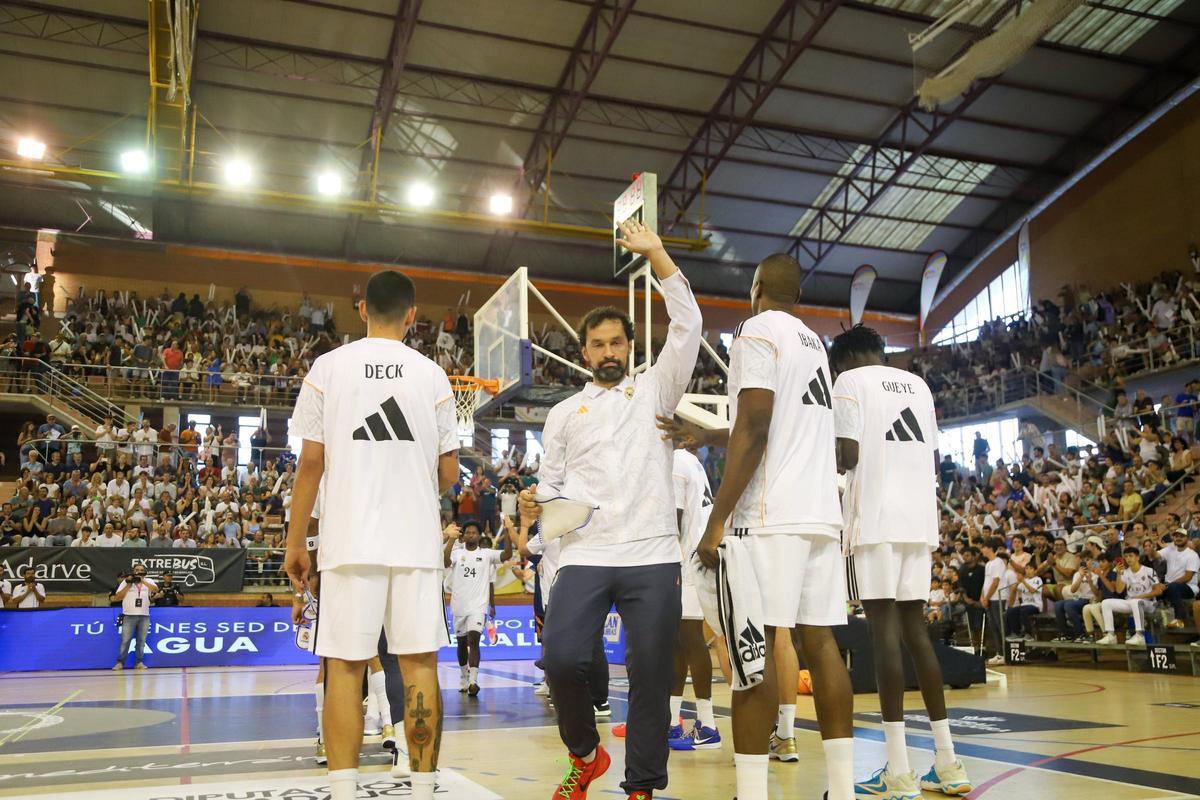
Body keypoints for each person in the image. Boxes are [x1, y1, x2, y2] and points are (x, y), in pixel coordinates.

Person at [519, 218, 701, 800]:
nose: (607, 352)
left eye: (616, 343)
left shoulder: (656, 390)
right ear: (584, 352)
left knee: (650, 675)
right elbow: (550, 489)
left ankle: (641, 785)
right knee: (562, 658)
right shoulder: (564, 413)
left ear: (630, 348)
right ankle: (585, 754)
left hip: (651, 554)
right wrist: (534, 504)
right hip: (586, 554)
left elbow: (689, 323)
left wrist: (657, 254)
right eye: (597, 345)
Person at [665, 253, 853, 800]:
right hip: (820, 513)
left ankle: (751, 792)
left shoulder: (754, 331)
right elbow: (778, 425)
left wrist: (716, 521)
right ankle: (841, 791)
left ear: (757, 286)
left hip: (770, 517)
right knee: (820, 645)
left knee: (757, 652)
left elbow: (756, 422)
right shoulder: (814, 345)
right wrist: (709, 437)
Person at [284, 269, 459, 800]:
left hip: (349, 539)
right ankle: (424, 786)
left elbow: (310, 464)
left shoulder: (327, 368)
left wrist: (296, 543)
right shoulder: (433, 375)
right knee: (419, 663)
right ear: (412, 315)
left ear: (361, 310)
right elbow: (449, 473)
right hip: (415, 543)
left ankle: (343, 790)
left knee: (344, 665)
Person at [827, 325, 971, 798]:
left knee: (882, 634)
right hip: (919, 521)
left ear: (844, 360)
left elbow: (845, 456)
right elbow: (930, 456)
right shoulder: (919, 384)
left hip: (877, 520)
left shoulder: (849, 383)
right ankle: (948, 763)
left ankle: (899, 770)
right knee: (917, 635)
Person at [666, 442, 722, 752]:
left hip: (687, 559)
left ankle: (708, 725)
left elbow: (672, 522)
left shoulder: (674, 462)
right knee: (680, 643)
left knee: (691, 641)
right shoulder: (691, 460)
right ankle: (673, 720)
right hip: (694, 556)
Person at [444, 520, 511, 696]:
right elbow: (444, 562)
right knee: (461, 643)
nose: (471, 535)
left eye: (474, 532)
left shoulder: (487, 554)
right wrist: (451, 539)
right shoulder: (457, 553)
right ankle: (463, 677)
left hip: (478, 606)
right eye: (467, 532)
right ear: (463, 535)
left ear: (480, 535)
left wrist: (509, 531)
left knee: (474, 640)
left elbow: (507, 554)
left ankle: (474, 681)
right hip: (459, 605)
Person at [1098, 547, 1162, 645]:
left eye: (1131, 556)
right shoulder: (1125, 572)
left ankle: (1139, 635)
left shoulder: (1149, 571)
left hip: (1148, 603)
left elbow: (1158, 591)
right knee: (1106, 603)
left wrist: (1141, 596)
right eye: (1126, 556)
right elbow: (1119, 590)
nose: (1128, 558)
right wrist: (1119, 574)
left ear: (1137, 557)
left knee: (1135, 601)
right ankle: (1111, 635)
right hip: (1131, 602)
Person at [112, 564, 157, 669]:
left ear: (144, 572)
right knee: (125, 640)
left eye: (141, 570)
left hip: (144, 615)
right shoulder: (126, 582)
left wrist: (142, 580)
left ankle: (139, 662)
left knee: (141, 641)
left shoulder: (149, 581)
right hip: (129, 615)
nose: (139, 572)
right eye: (137, 570)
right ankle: (120, 663)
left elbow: (155, 590)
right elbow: (117, 597)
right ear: (133, 571)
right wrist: (129, 584)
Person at [1161, 528, 1198, 628]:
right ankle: (1157, 619)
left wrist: (1168, 585)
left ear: (1187, 538)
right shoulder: (1170, 550)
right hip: (1171, 585)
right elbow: (1156, 555)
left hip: (1189, 587)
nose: (1178, 538)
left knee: (1173, 586)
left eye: (1182, 536)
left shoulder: (1192, 555)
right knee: (1156, 588)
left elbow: (1187, 577)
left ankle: (1179, 619)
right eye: (1176, 536)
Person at [1005, 561, 1044, 641]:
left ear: (1035, 571)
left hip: (1035, 605)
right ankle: (1017, 632)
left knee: (1024, 611)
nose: (1028, 571)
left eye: (1031, 568)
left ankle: (1029, 634)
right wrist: (1017, 583)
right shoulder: (1024, 580)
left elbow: (1032, 590)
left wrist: (1023, 581)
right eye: (1026, 568)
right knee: (1011, 611)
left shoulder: (1038, 579)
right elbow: (1014, 590)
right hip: (1024, 604)